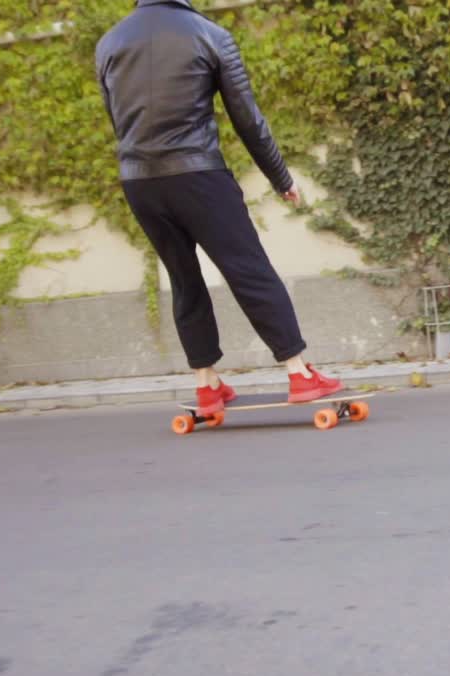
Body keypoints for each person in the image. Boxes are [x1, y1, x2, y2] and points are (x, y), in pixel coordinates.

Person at [94, 0, 341, 416]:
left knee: (183, 277)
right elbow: (247, 118)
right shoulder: (209, 35)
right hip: (199, 176)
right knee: (248, 268)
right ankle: (299, 373)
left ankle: (206, 384)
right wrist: (281, 178)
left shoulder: (109, 43)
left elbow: (117, 119)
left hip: (139, 181)